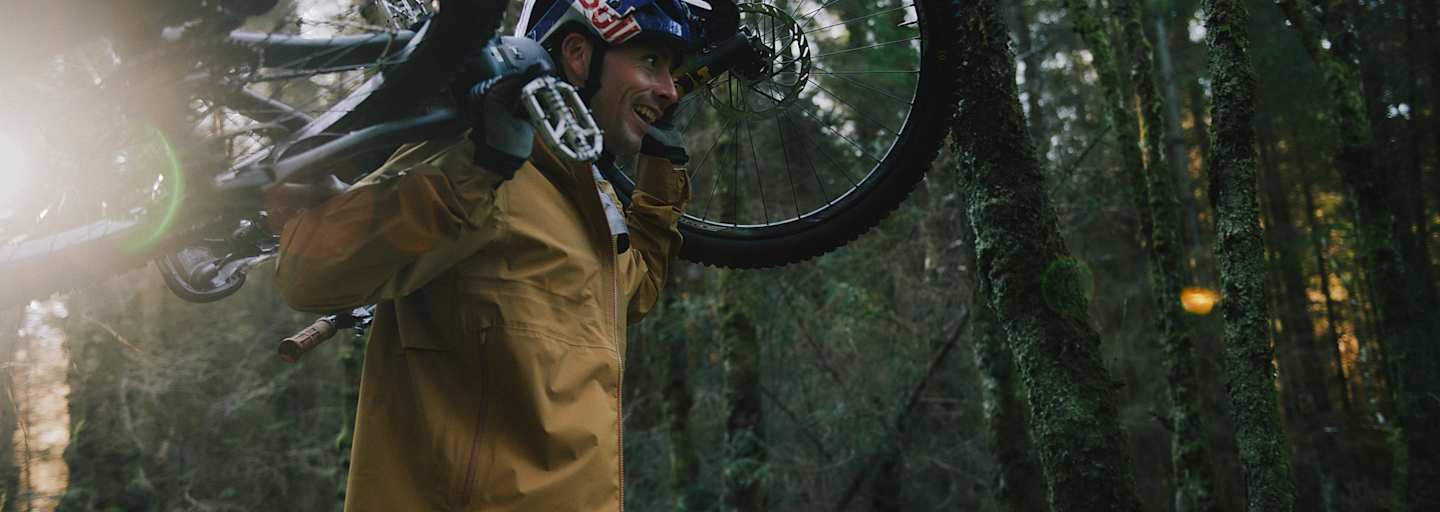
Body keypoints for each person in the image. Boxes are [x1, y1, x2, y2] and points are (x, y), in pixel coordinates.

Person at [273, 0, 729, 509]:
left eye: (672, 72)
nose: (670, 90)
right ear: (577, 53)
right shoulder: (478, 158)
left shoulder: (591, 198)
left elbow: (628, 295)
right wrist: (477, 169)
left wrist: (659, 192)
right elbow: (306, 274)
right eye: (651, 62)